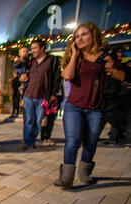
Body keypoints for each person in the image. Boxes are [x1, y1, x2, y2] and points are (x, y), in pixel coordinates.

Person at [54, 22, 109, 188]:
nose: (80, 38)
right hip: (74, 106)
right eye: (77, 36)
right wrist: (75, 56)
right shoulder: (75, 59)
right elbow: (67, 76)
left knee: (91, 142)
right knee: (73, 141)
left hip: (96, 108)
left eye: (84, 34)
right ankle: (67, 177)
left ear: (93, 36)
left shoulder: (104, 58)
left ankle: (85, 173)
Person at [19, 39, 61, 150]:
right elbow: (23, 76)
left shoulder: (52, 61)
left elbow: (57, 79)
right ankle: (28, 142)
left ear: (42, 48)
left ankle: (31, 140)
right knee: (28, 120)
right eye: (31, 48)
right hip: (29, 95)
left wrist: (53, 94)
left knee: (38, 122)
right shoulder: (30, 62)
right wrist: (22, 78)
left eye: (34, 48)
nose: (32, 51)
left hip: (42, 96)